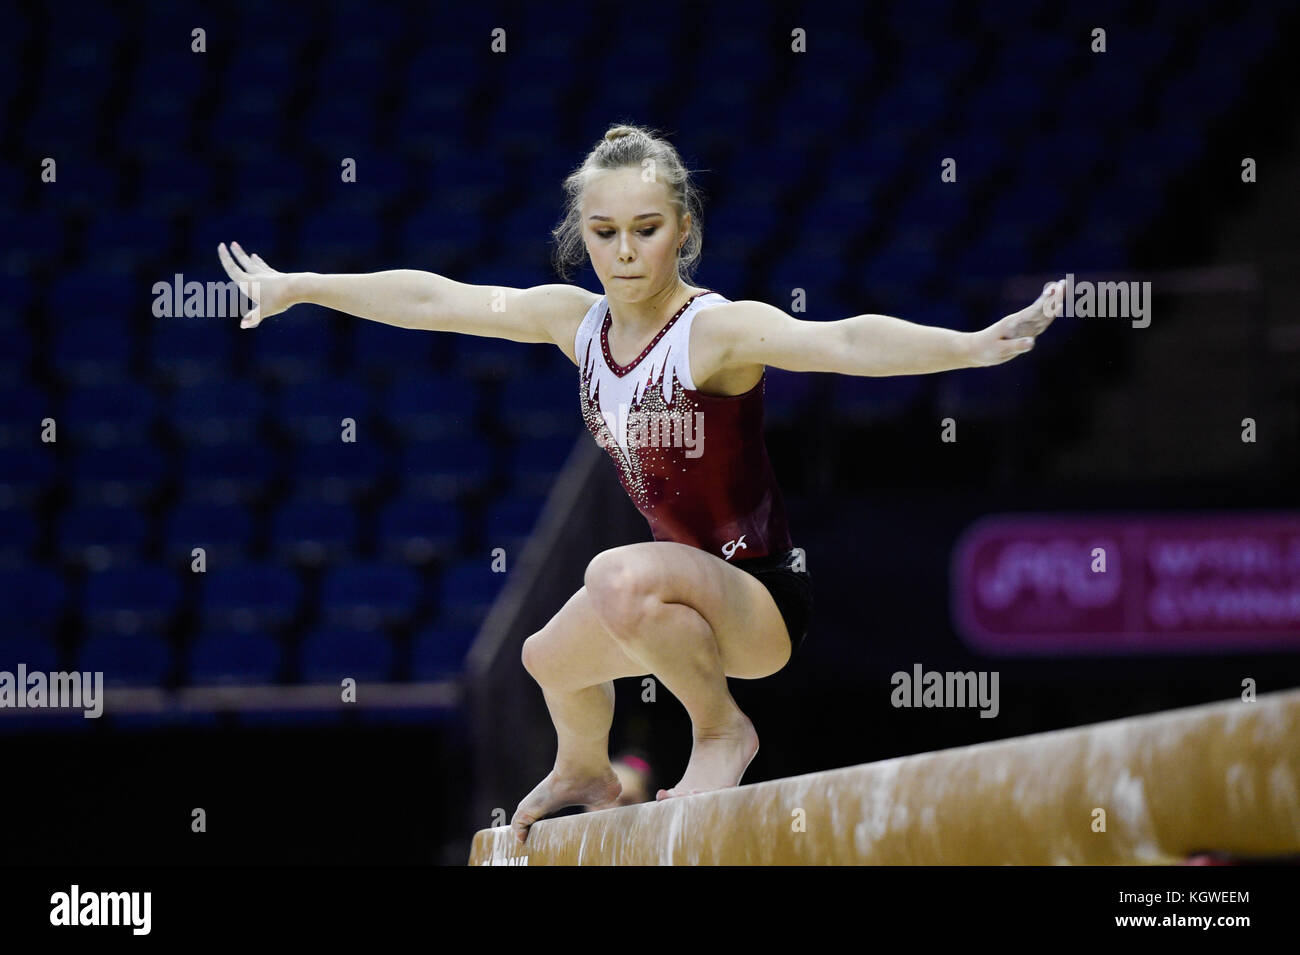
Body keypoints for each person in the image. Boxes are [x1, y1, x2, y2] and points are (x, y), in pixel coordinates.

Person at [216, 123, 1060, 845]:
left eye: (647, 228)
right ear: (580, 233)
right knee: (546, 658)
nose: (624, 252)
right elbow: (438, 298)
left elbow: (840, 341)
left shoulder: (715, 331)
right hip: (672, 604)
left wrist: (969, 346)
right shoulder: (576, 325)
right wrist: (301, 286)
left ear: (683, 228)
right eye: (604, 231)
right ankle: (586, 768)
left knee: (613, 574)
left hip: (758, 598)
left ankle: (723, 727)